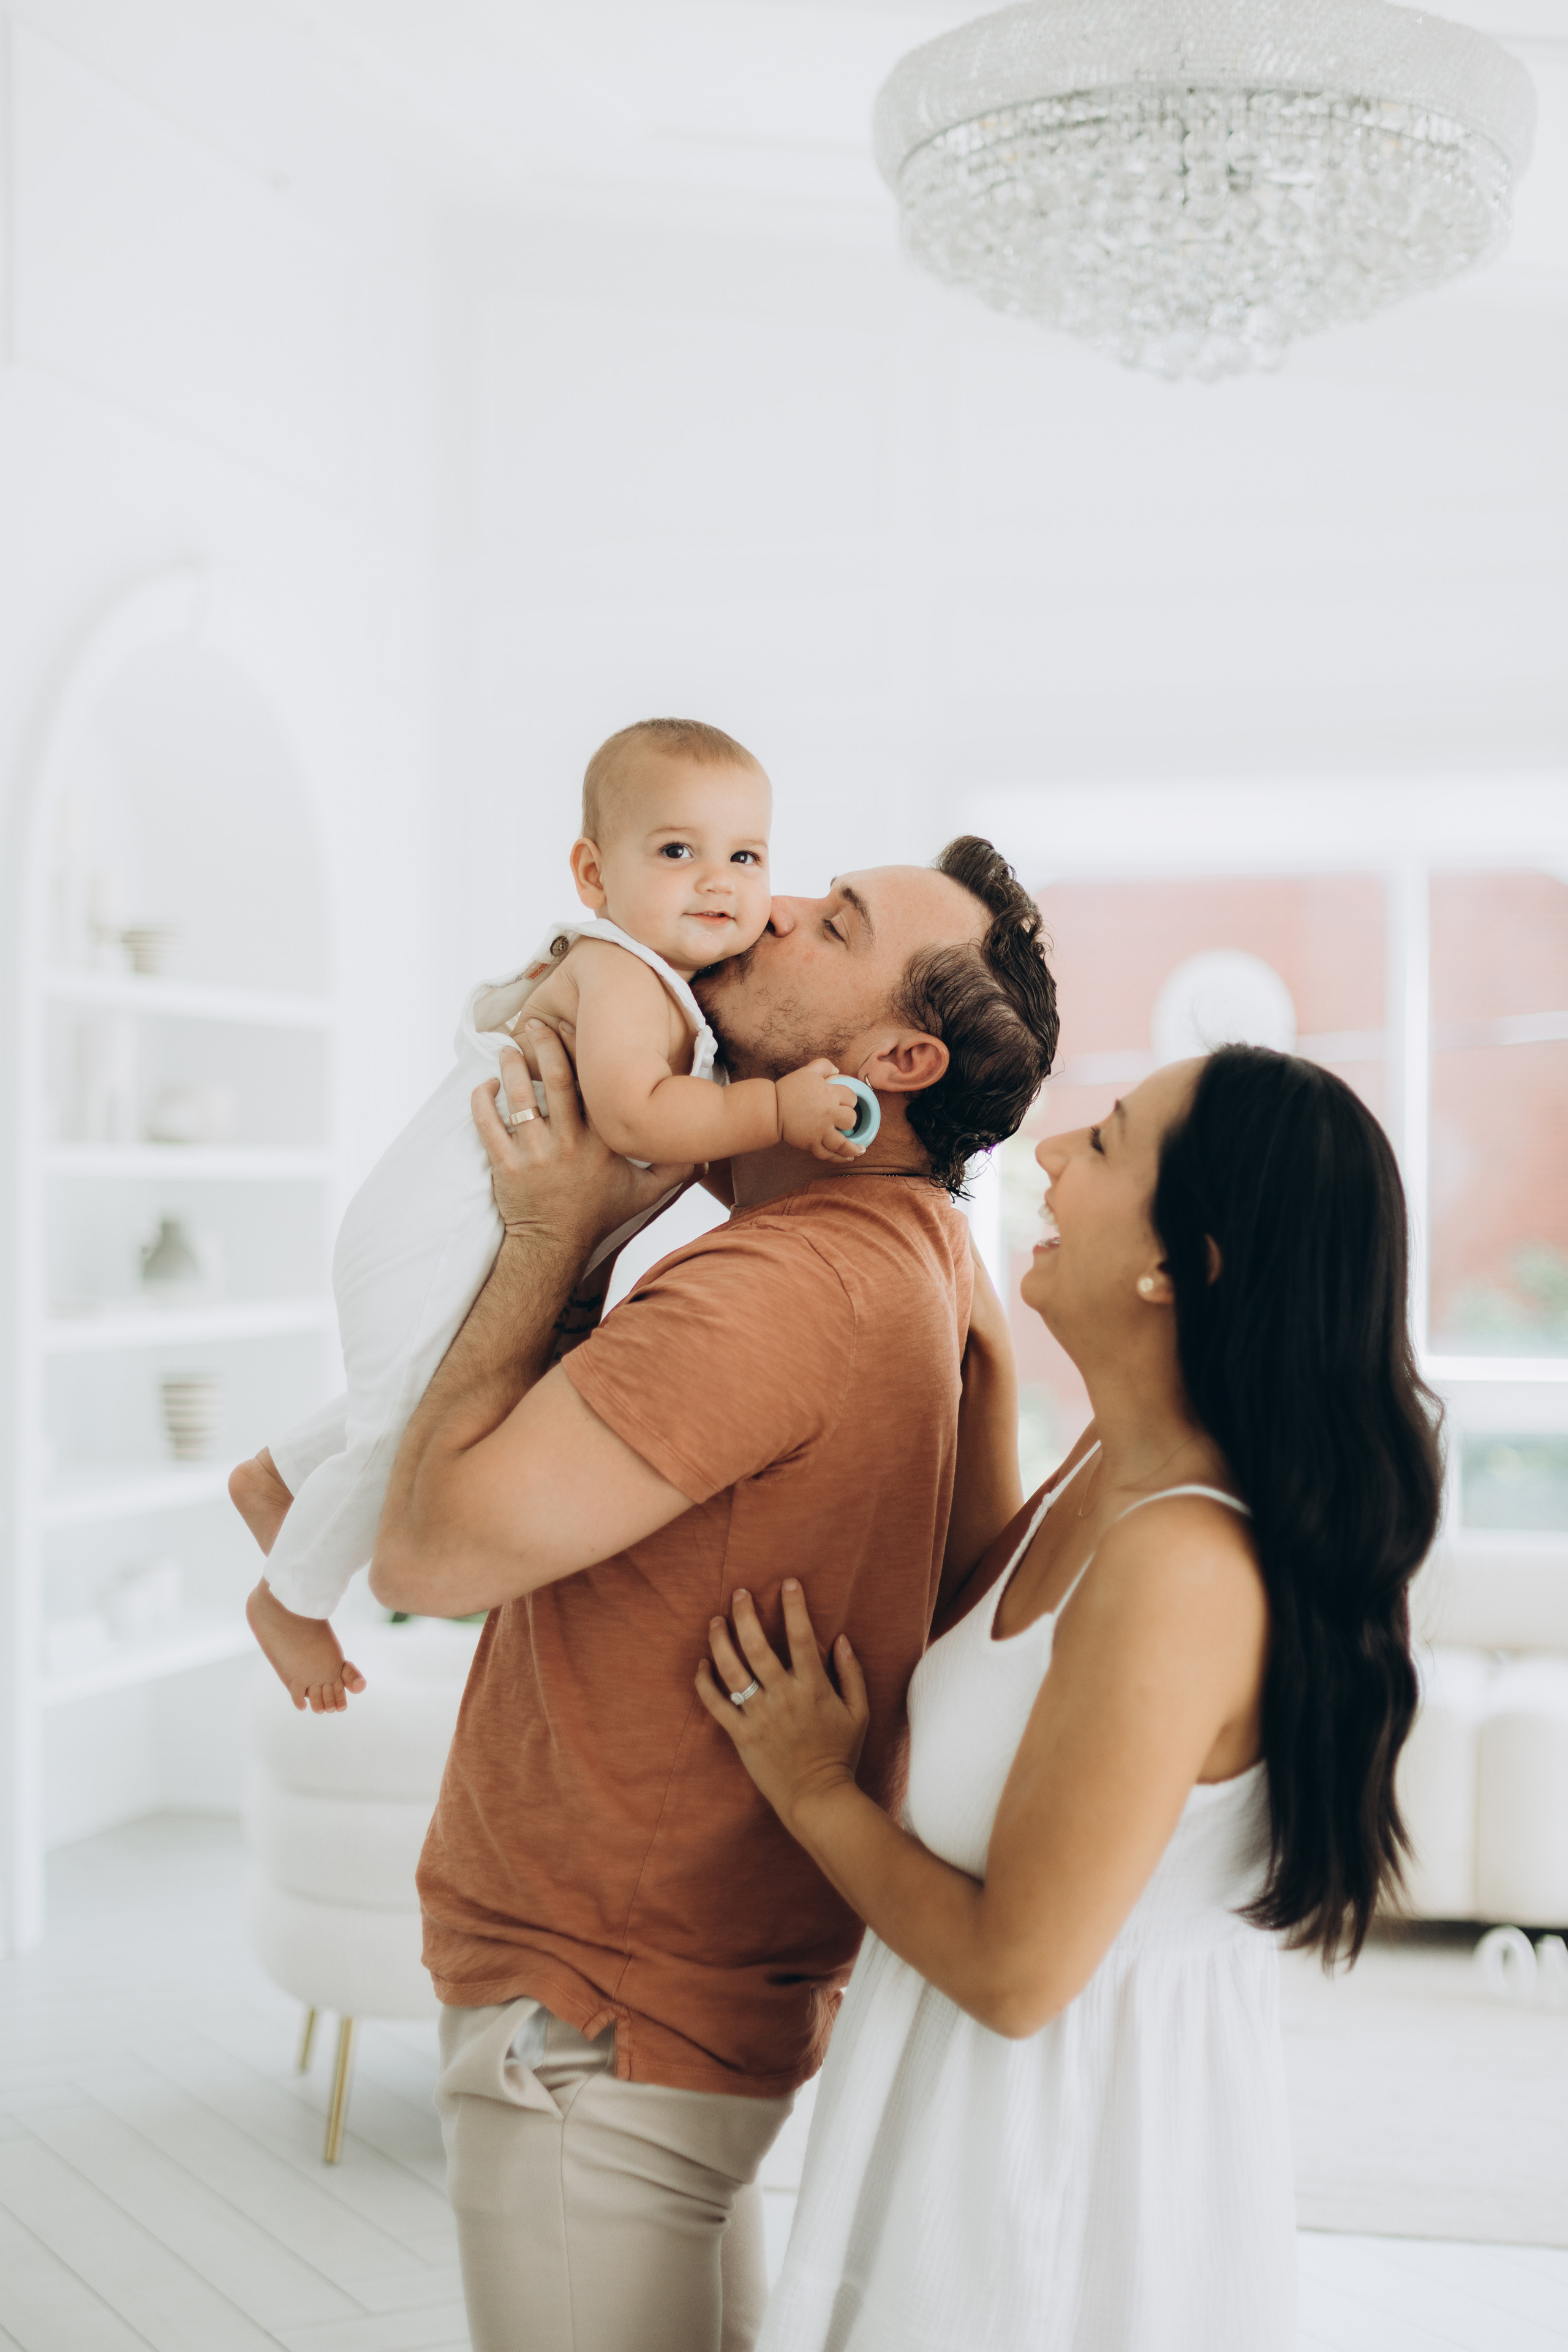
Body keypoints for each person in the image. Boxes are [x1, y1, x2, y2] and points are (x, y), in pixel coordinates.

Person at [366, 837, 1060, 2352]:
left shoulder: (781, 1288)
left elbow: (425, 1556)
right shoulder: (920, 1253)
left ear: (894, 1056)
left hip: (596, 2017)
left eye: (837, 921)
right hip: (686, 2008)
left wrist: (553, 1230)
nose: (775, 901)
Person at [699, 1044, 1444, 2352]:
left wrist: (811, 1788)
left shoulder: (1181, 1566)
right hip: (982, 2131)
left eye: (1101, 1144)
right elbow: (995, 1668)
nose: (1048, 1156)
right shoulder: (1121, 1460)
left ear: (1181, 1266)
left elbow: (1015, 1971)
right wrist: (975, 1363)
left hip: (1052, 2182)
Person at [232, 718, 865, 1711]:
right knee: (405, 1416)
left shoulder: (669, 994)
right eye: (676, 851)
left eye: (746, 856)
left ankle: (278, 1479)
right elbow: (634, 1112)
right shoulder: (621, 973)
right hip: (432, 1227)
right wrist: (778, 1110)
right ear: (592, 874)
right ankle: (290, 1601)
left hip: (447, 1232)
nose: (720, 882)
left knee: (418, 1381)